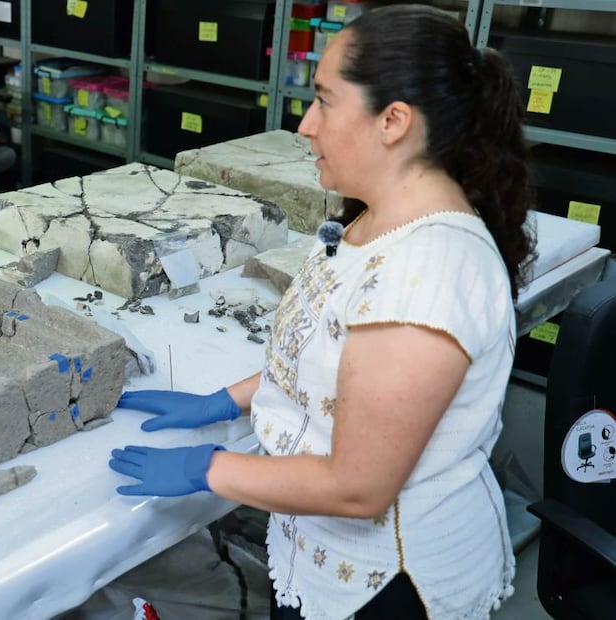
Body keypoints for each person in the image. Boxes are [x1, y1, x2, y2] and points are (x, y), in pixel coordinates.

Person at [108, 4, 536, 619]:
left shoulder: (427, 272)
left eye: (325, 101)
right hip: (322, 548)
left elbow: (358, 486)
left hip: (386, 582)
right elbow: (337, 353)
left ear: (393, 121)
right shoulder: (379, 218)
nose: (306, 125)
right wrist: (230, 399)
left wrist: (211, 468)